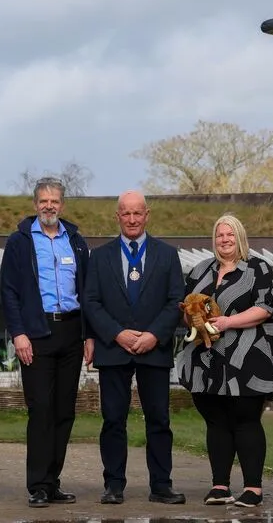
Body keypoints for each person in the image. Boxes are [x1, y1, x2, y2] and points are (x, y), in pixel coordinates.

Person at [83, 190, 187, 506]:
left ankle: (161, 485)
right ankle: (114, 484)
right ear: (118, 216)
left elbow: (176, 301)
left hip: (154, 349)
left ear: (146, 215)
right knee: (113, 420)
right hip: (114, 349)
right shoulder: (99, 257)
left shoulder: (167, 255)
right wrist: (117, 334)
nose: (131, 219)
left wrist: (154, 335)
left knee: (159, 420)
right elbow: (91, 301)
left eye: (137, 213)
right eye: (126, 213)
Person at [174, 214, 273, 508]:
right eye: (220, 235)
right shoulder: (200, 270)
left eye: (230, 234)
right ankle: (220, 486)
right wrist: (192, 317)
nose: (224, 240)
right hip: (205, 361)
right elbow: (187, 309)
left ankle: (253, 488)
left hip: (247, 359)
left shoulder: (258, 268)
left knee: (246, 422)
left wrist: (227, 322)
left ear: (240, 237)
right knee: (216, 423)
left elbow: (265, 308)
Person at [0, 177, 94, 508]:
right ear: (35, 204)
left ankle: (53, 482)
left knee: (64, 411)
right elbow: (9, 292)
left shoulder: (76, 241)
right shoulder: (19, 242)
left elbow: (88, 291)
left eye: (54, 201)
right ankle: (38, 484)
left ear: (62, 205)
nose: (49, 206)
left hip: (71, 332)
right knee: (40, 409)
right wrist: (19, 333)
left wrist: (89, 335)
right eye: (43, 201)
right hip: (36, 334)